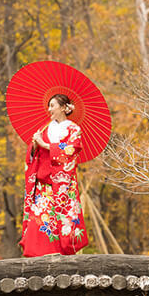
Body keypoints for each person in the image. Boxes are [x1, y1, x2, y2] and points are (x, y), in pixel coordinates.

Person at [20, 94, 89, 257]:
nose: (49, 109)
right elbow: (32, 156)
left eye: (52, 105)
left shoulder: (74, 129)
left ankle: (59, 257)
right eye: (49, 106)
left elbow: (70, 152)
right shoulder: (44, 128)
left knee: (60, 222)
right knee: (39, 222)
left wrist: (45, 144)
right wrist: (35, 145)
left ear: (64, 108)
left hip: (61, 188)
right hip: (43, 185)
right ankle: (36, 257)